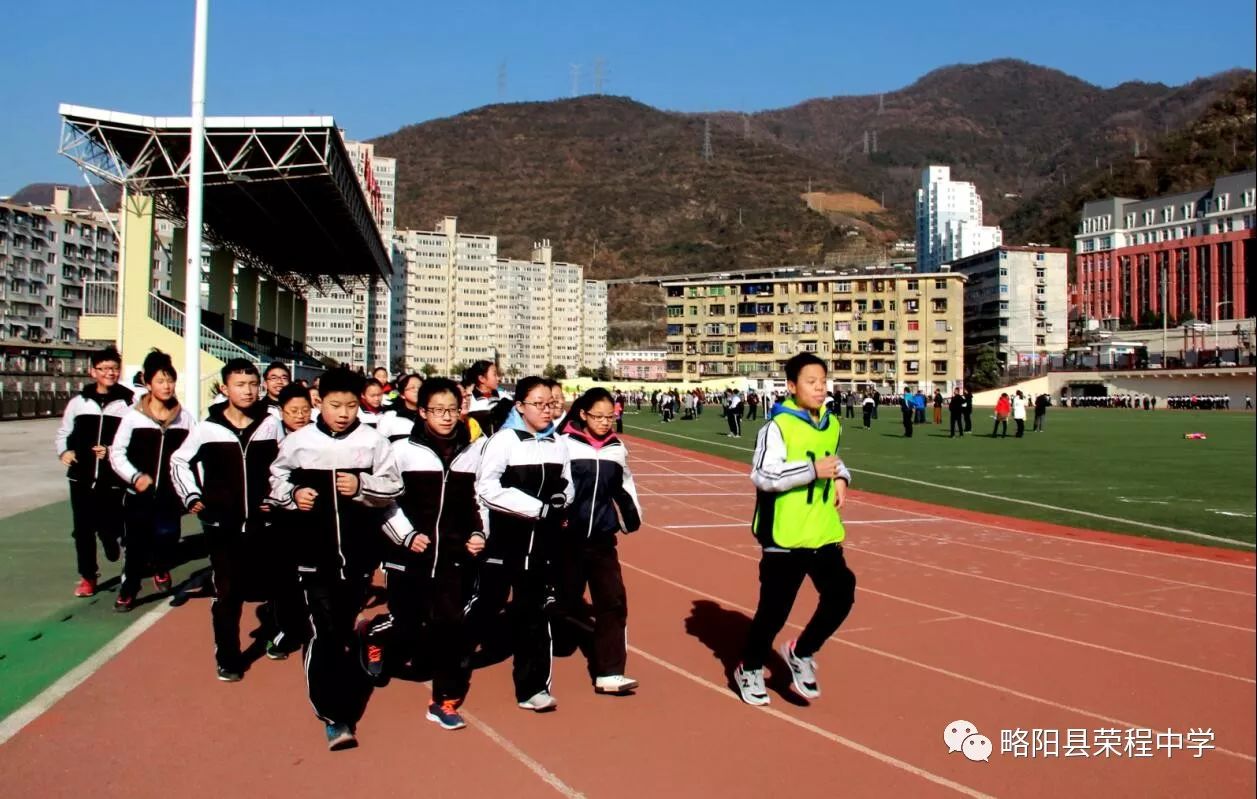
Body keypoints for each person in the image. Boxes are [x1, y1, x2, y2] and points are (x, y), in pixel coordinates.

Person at [267, 367, 403, 751]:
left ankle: (358, 642)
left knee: (342, 629)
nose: (342, 412)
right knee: (323, 632)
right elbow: (276, 477)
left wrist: (362, 486)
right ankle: (335, 716)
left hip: (359, 555)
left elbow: (394, 485)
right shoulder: (300, 442)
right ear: (318, 403)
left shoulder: (373, 442)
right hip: (314, 554)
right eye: (333, 405)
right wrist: (292, 496)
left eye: (349, 405)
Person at [361, 378, 487, 731]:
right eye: (438, 410)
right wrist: (406, 535)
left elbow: (481, 501)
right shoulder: (401, 450)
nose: (447, 417)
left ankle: (443, 700)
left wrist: (479, 533)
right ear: (422, 411)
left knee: (449, 625)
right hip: (409, 555)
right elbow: (383, 501)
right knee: (408, 625)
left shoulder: (472, 452)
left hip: (452, 555)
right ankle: (374, 634)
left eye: (453, 410)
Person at [734, 353, 855, 706]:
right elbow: (763, 475)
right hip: (784, 534)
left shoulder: (830, 423)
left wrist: (842, 476)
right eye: (810, 382)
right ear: (791, 386)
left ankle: (801, 652)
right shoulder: (776, 427)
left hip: (822, 529)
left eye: (822, 382)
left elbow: (830, 457)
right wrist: (811, 471)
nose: (819, 389)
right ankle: (750, 666)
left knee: (842, 593)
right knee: (774, 611)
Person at [170, 359, 297, 681]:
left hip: (264, 523)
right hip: (221, 526)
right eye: (241, 385)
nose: (249, 390)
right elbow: (179, 461)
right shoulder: (207, 428)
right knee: (228, 592)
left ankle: (280, 636)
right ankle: (228, 655)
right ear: (225, 389)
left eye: (254, 384)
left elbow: (286, 464)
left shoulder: (272, 423)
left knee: (279, 585)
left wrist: (278, 498)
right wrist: (192, 496)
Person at [469, 376, 574, 712]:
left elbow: (568, 484)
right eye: (539, 404)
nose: (547, 410)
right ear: (520, 406)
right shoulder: (504, 441)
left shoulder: (558, 443)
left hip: (541, 546)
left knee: (535, 612)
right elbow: (487, 488)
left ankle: (532, 688)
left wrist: (561, 498)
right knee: (486, 606)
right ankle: (445, 658)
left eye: (552, 404)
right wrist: (536, 507)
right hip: (503, 543)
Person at [558, 388, 643, 695]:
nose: (606, 421)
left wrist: (631, 516)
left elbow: (624, 484)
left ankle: (610, 672)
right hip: (567, 538)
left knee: (613, 601)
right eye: (599, 416)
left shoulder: (616, 449)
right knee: (564, 600)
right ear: (583, 414)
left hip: (602, 539)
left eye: (611, 416)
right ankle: (555, 635)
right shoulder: (563, 444)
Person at [109, 350, 195, 611]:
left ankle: (161, 566)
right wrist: (135, 477)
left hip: (170, 495)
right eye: (160, 381)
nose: (166, 386)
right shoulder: (133, 417)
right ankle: (128, 590)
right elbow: (117, 453)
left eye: (170, 380)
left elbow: (195, 454)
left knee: (168, 536)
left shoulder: (185, 418)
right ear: (147, 383)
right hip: (139, 494)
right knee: (135, 544)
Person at [55, 346, 134, 597]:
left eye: (114, 368)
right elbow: (64, 433)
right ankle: (88, 576)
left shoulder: (130, 403)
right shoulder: (79, 402)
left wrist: (111, 451)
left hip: (113, 478)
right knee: (82, 529)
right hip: (81, 476)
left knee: (111, 524)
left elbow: (136, 438)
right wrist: (64, 452)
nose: (110, 373)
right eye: (104, 368)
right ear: (93, 372)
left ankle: (110, 539)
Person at [465, 360, 512, 436]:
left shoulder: (505, 397)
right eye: (494, 375)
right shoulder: (469, 400)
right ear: (482, 378)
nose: (498, 378)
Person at [379, 373, 423, 442]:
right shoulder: (390, 417)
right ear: (402, 394)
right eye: (412, 388)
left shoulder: (430, 415)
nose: (417, 391)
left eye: (420, 387)